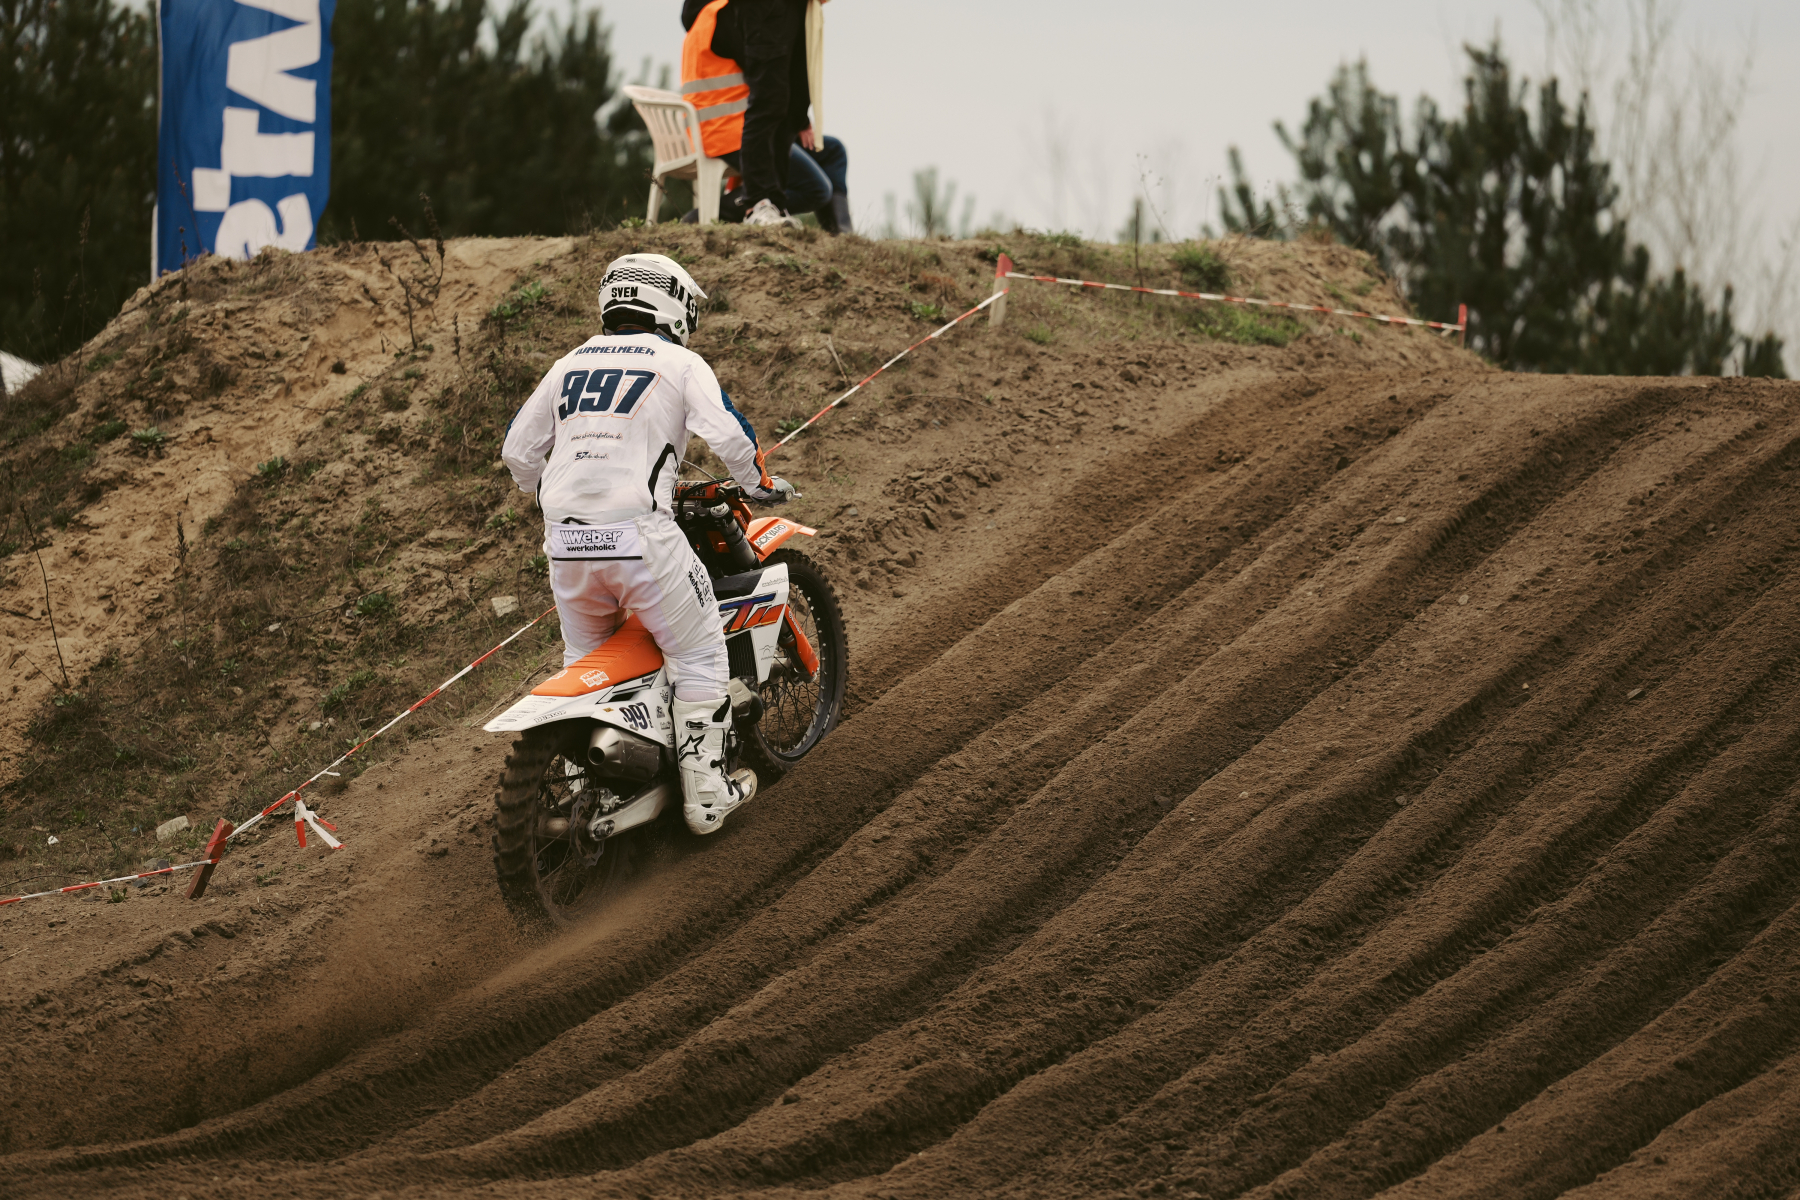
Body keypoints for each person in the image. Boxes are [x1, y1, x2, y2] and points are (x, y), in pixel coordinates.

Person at [501, 253, 797, 835]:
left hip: (565, 541)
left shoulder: (569, 363)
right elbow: (730, 432)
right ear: (673, 305)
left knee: (588, 666)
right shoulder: (679, 361)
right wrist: (758, 485)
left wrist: (547, 496)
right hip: (640, 537)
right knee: (701, 651)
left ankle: (588, 787)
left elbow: (517, 449)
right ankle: (706, 795)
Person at [681, 0, 851, 232]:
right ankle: (720, 212)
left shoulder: (721, 14)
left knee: (832, 151)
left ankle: (843, 236)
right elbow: (768, 82)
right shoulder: (725, 17)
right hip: (728, 131)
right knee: (816, 188)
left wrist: (800, 119)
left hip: (742, 126)